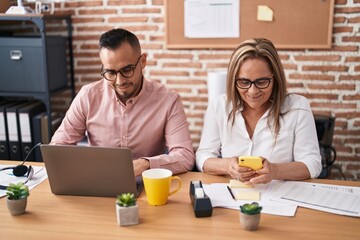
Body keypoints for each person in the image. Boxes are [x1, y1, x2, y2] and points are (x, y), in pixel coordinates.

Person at [51, 28, 195, 176]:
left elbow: (185, 157)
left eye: (127, 70)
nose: (119, 81)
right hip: (98, 183)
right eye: (111, 72)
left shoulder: (168, 100)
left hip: (146, 186)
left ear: (143, 61)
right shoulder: (88, 96)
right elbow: (57, 147)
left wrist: (146, 164)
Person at [196, 38, 322, 185]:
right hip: (232, 196)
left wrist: (275, 171)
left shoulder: (298, 107)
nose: (253, 91)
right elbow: (203, 157)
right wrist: (228, 166)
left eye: (261, 82)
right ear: (233, 80)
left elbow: (312, 164)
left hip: (279, 198)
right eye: (244, 82)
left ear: (275, 78)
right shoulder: (219, 106)